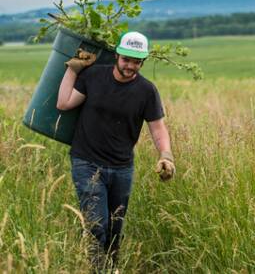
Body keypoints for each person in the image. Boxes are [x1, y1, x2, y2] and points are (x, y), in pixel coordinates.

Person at [56, 31, 175, 271]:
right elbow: (64, 103)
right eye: (126, 59)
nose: (130, 66)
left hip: (122, 167)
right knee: (96, 224)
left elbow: (158, 129)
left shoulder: (147, 91)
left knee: (115, 227)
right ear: (117, 55)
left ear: (142, 62)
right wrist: (73, 68)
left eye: (136, 62)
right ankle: (96, 269)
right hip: (86, 162)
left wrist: (166, 155)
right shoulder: (93, 76)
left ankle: (111, 268)